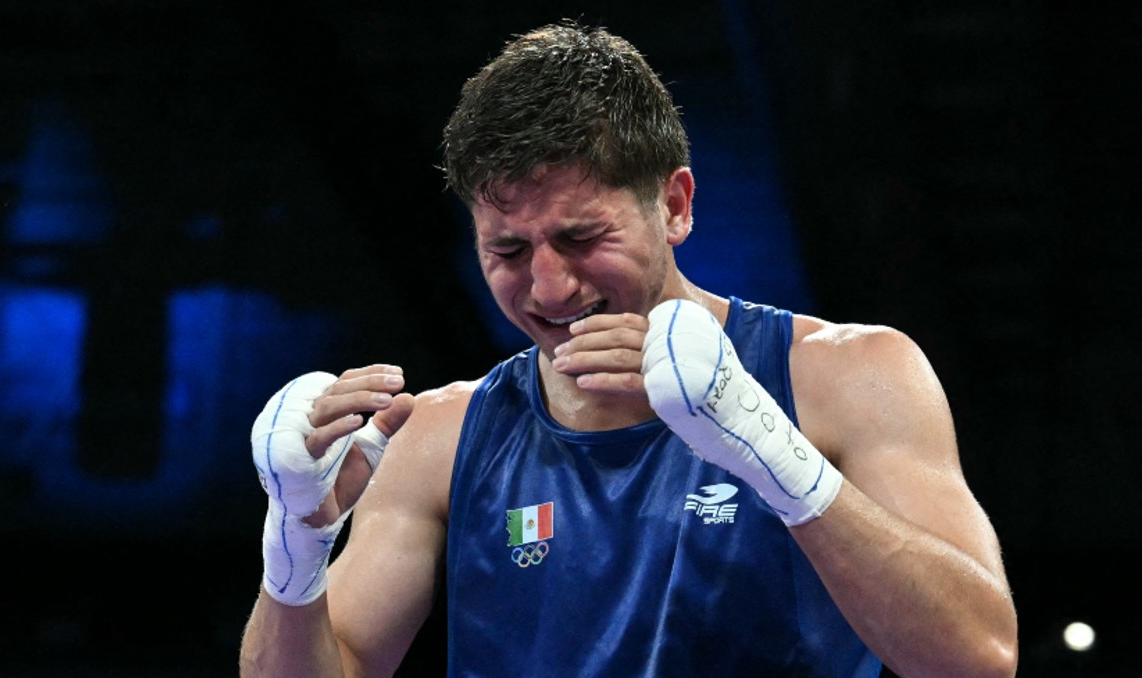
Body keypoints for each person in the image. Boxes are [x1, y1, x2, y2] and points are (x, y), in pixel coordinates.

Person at [240, 21, 1018, 677]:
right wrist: (295, 544)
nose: (547, 288)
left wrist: (773, 453)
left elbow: (979, 655)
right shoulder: (439, 437)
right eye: (508, 252)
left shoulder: (848, 376)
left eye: (581, 237)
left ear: (674, 205)